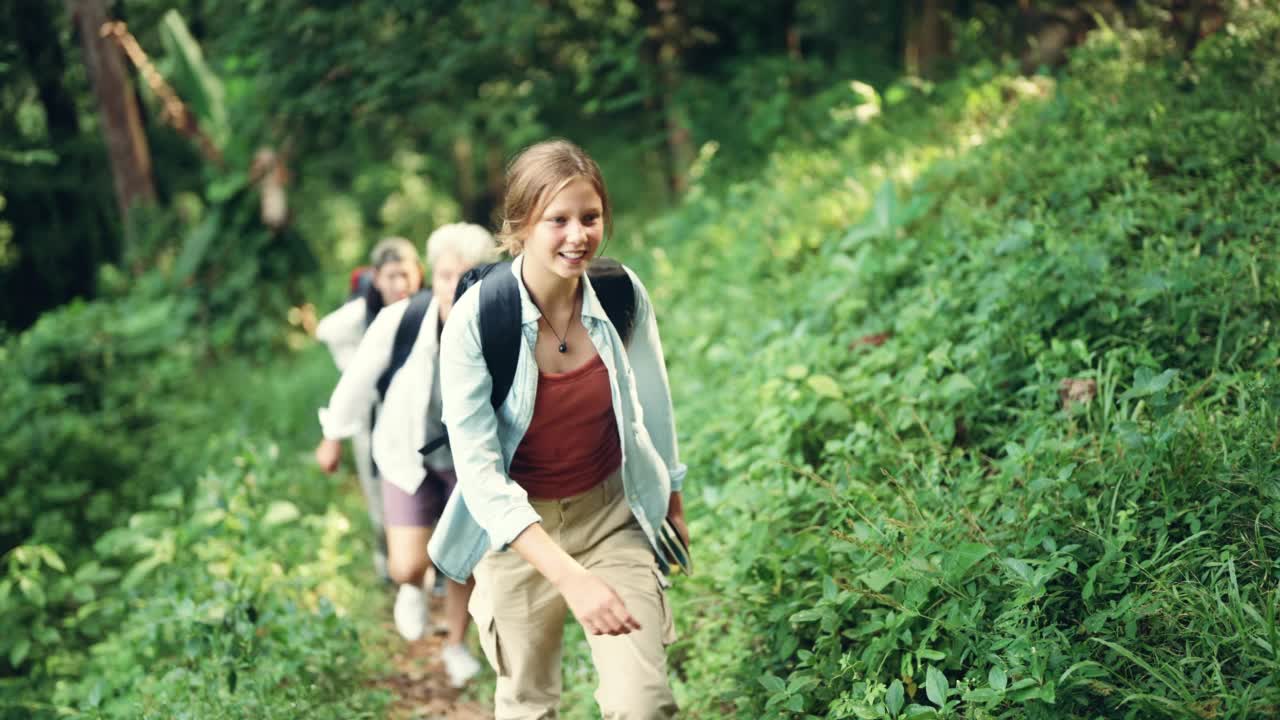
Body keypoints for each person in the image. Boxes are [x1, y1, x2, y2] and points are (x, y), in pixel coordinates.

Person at [429, 139, 689, 719]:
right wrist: (572, 579)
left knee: (643, 704)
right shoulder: (478, 320)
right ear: (521, 226)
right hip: (515, 534)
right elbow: (478, 473)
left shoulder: (621, 293)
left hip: (611, 516)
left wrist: (671, 498)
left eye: (590, 218)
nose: (578, 235)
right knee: (530, 705)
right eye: (558, 220)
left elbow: (653, 405)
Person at [316, 224, 496, 688]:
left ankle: (456, 644)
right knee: (406, 564)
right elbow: (357, 378)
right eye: (444, 275)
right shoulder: (403, 319)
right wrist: (334, 434)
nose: (454, 287)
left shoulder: (494, 323)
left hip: (469, 462)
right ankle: (411, 587)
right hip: (405, 453)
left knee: (464, 560)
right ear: (431, 276)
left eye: (467, 276)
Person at [314, 237, 423, 579]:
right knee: (378, 492)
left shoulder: (428, 306)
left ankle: (426, 567)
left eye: (405, 275)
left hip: (417, 419)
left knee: (420, 486)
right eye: (391, 276)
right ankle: (386, 562)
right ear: (376, 278)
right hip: (371, 419)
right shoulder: (365, 313)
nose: (400, 285)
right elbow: (326, 330)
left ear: (419, 273)